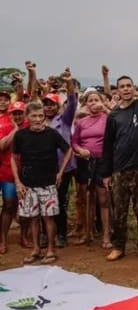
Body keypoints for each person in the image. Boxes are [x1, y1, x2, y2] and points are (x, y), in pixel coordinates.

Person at [101, 36, 138, 261]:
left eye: (129, 86)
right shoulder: (113, 116)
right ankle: (118, 246)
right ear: (117, 90)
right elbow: (107, 146)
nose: (126, 89)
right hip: (119, 170)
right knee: (119, 211)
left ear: (134, 89)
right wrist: (106, 173)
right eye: (122, 86)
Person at [11, 102, 73, 264]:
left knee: (48, 218)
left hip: (48, 183)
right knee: (33, 218)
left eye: (40, 116)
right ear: (27, 117)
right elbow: (13, 158)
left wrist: (60, 172)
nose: (38, 119)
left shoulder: (52, 134)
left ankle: (51, 249)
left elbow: (68, 150)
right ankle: (36, 249)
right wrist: (18, 182)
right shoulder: (20, 135)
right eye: (34, 116)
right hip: (28, 184)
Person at [71, 90, 110, 247]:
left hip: (102, 162)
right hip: (85, 162)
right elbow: (74, 141)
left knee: (103, 198)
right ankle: (88, 233)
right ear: (86, 104)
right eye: (90, 100)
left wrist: (106, 108)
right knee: (87, 197)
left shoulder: (108, 119)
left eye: (96, 100)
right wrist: (80, 150)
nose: (93, 103)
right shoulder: (81, 122)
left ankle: (106, 235)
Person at [42, 70, 77, 248]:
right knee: (44, 201)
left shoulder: (64, 120)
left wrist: (69, 83)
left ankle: (61, 234)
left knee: (60, 200)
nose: (48, 107)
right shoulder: (38, 122)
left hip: (64, 168)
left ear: (57, 106)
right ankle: (44, 233)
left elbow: (72, 102)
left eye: (51, 104)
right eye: (45, 104)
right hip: (44, 169)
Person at [0, 96, 20, 254]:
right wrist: (15, 129)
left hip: (13, 171)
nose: (2, 102)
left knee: (10, 204)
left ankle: (6, 239)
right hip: (3, 168)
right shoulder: (9, 124)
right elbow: (2, 146)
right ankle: (3, 240)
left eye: (5, 99)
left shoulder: (21, 119)